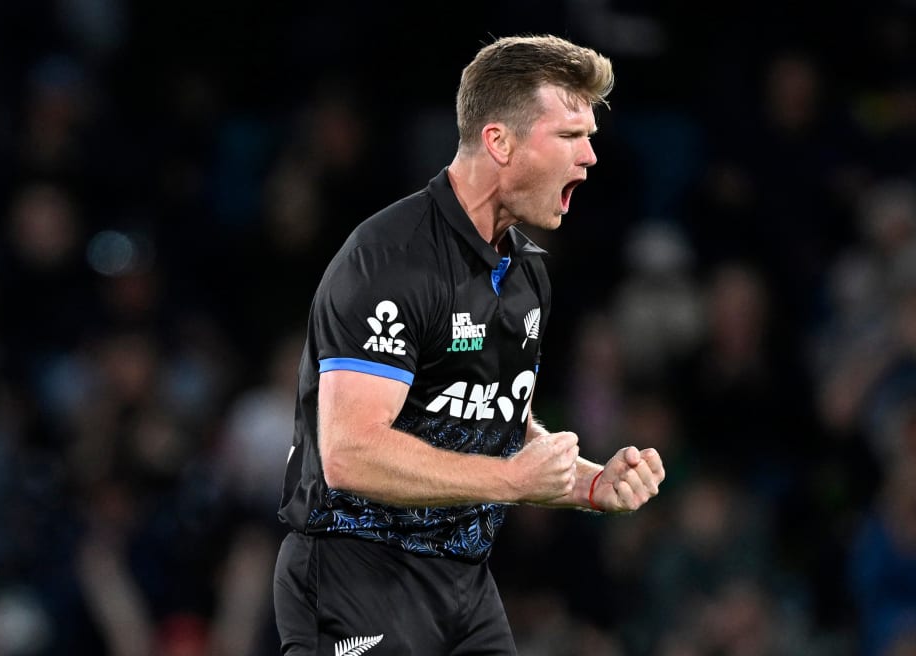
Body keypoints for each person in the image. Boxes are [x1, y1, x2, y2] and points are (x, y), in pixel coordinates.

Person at [273, 34, 665, 655]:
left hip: (465, 585)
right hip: (358, 573)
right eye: (569, 136)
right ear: (498, 141)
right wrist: (512, 480)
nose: (590, 157)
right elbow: (349, 453)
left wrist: (587, 483)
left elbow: (494, 419)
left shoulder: (528, 272)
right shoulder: (391, 260)